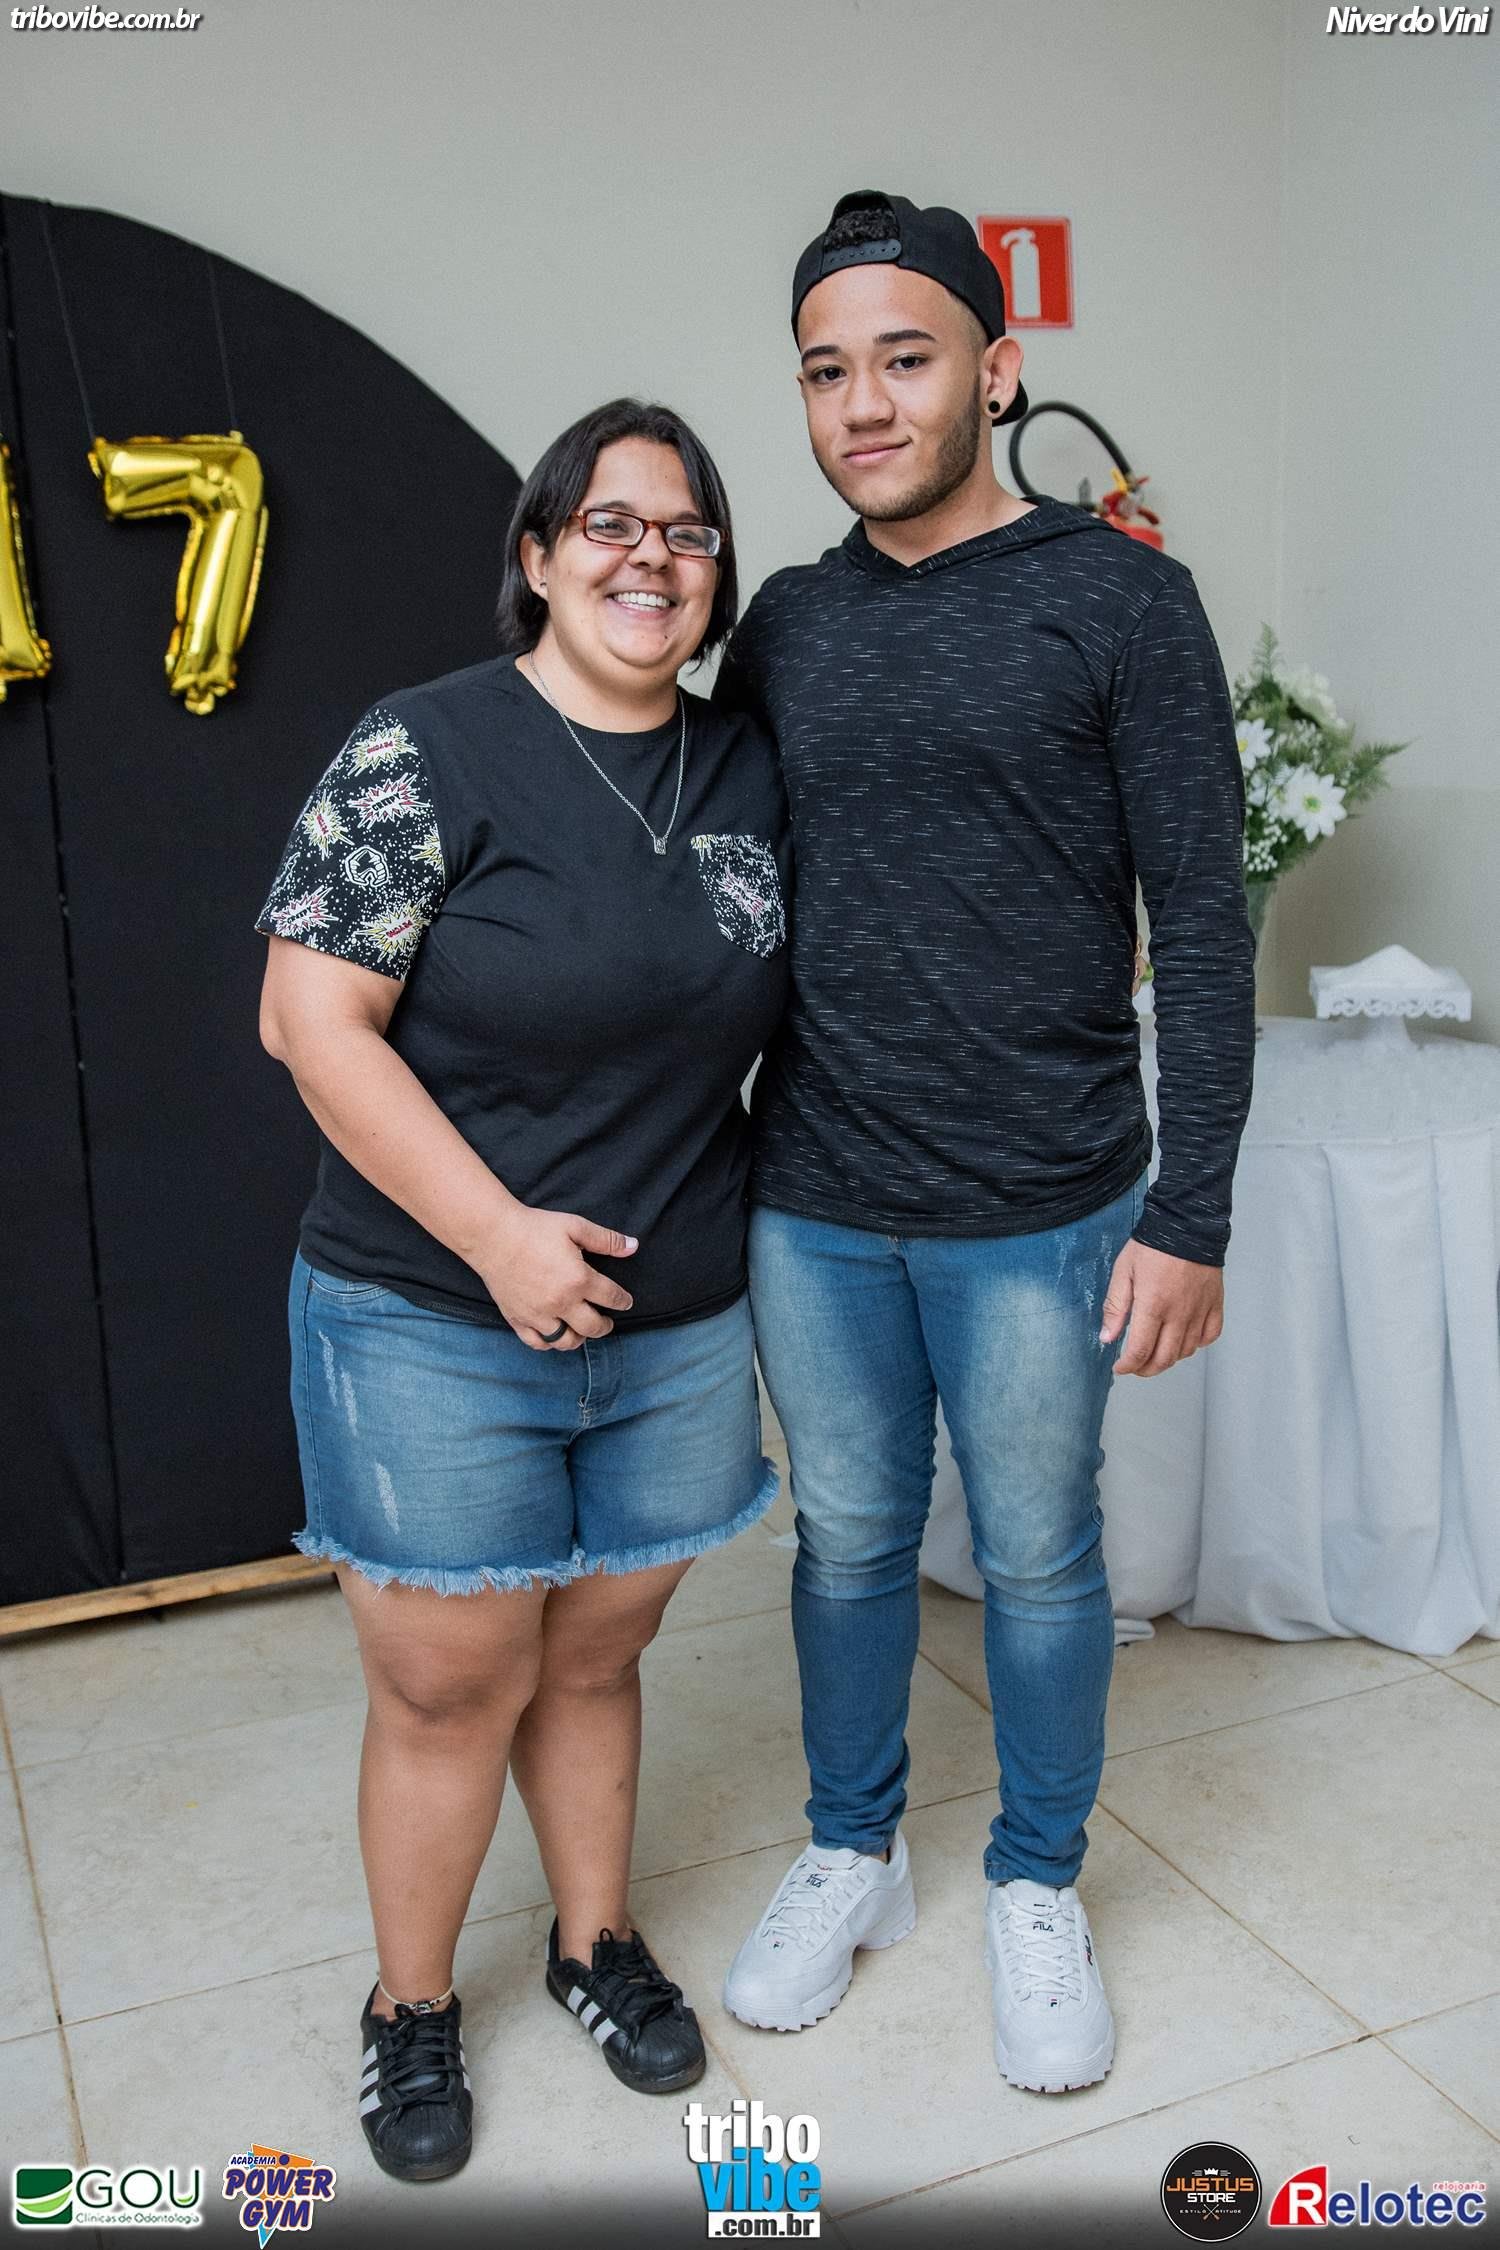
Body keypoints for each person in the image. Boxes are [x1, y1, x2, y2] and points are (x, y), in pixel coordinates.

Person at [713, 191, 1255, 2094]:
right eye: (826, 370)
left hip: (1044, 1202)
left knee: (1037, 1554)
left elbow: (1203, 922)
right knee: (848, 1537)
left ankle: (1035, 1877)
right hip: (818, 1199)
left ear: (997, 370)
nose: (863, 403)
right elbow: (727, 894)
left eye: (905, 358)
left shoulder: (1123, 599)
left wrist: (1193, 1211)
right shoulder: (786, 624)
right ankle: (852, 1847)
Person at [255, 398, 789, 2181]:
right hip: (430, 1317)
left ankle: (592, 1941)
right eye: (611, 523)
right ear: (542, 556)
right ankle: (411, 2004)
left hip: (677, 1324)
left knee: (602, 1651)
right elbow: (306, 1017)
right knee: (448, 1687)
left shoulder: (747, 766)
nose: (653, 556)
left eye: (688, 531)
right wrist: (498, 1235)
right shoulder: (421, 747)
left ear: (716, 577)